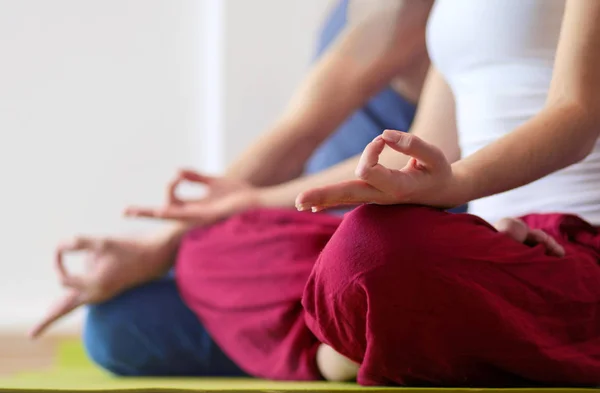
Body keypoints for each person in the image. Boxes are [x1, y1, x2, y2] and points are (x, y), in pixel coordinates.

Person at [30, 0, 434, 381]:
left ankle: (343, 336)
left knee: (183, 270)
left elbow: (302, 132)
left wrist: (170, 241)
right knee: (117, 326)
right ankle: (333, 337)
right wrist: (165, 245)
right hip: (310, 235)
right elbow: (296, 144)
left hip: (372, 236)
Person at [295, 0, 600, 387]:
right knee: (227, 243)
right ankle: (364, 330)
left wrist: (456, 184)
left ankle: (344, 341)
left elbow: (576, 115)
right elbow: (430, 141)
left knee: (364, 248)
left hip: (580, 246)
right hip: (486, 242)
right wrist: (251, 201)